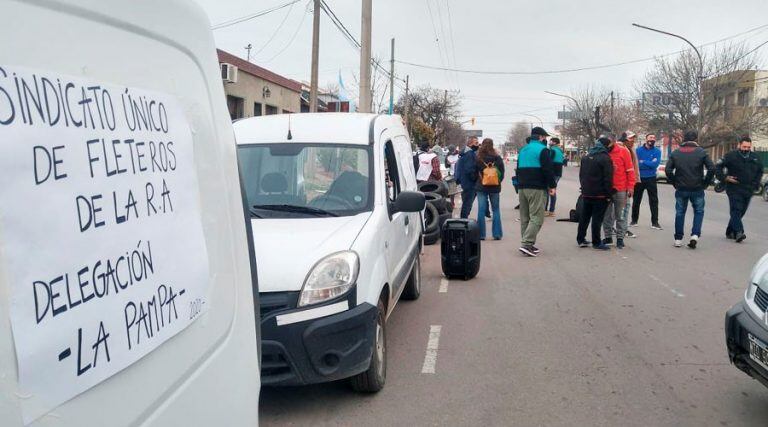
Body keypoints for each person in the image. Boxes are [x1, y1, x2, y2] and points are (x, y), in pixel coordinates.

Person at [665, 130, 715, 249]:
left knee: (680, 212)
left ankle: (678, 238)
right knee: (698, 212)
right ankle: (695, 235)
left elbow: (668, 170)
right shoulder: (701, 152)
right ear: (696, 139)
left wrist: (674, 182)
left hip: (681, 187)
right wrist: (705, 183)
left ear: (684, 139)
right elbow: (712, 168)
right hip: (697, 187)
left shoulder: (676, 153)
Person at [516, 127, 556, 257]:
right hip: (537, 187)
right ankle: (527, 244)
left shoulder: (523, 150)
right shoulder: (543, 150)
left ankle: (528, 243)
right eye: (545, 137)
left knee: (525, 217)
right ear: (540, 137)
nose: (545, 139)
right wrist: (552, 186)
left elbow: (518, 169)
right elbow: (547, 170)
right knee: (537, 217)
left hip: (522, 187)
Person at [716, 136, 764, 243]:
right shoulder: (731, 156)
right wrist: (725, 178)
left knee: (741, 211)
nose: (746, 149)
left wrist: (756, 183)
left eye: (748, 147)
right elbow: (718, 167)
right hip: (734, 188)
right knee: (736, 209)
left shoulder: (755, 157)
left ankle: (729, 231)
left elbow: (760, 171)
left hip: (748, 189)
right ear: (739, 145)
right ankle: (739, 232)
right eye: (744, 146)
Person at [577, 137, 615, 250]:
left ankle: (580, 239)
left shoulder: (586, 157)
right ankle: (596, 242)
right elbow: (608, 178)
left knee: (585, 217)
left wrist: (584, 189)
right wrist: (609, 195)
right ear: (606, 146)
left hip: (587, 192)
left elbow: (581, 175)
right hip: (600, 194)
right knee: (597, 219)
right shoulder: (605, 158)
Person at [602, 134, 635, 249]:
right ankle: (608, 237)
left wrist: (631, 187)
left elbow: (630, 170)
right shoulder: (603, 152)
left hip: (621, 188)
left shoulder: (623, 151)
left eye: (608, 142)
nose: (606, 145)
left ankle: (620, 238)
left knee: (620, 215)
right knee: (607, 215)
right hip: (606, 189)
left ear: (614, 141)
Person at [475, 138, 505, 240]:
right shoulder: (497, 158)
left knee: (481, 210)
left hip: (481, 186)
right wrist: (497, 181)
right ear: (492, 145)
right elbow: (502, 173)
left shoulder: (478, 158)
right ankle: (497, 234)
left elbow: (473, 172)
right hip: (495, 187)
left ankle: (481, 234)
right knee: (496, 209)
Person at [631, 133, 663, 230]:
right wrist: (649, 162)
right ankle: (634, 220)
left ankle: (655, 222)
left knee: (653, 201)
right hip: (639, 178)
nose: (652, 139)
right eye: (650, 137)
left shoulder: (657, 151)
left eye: (653, 138)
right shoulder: (638, 150)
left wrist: (643, 161)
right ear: (646, 139)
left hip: (651, 178)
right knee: (636, 200)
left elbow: (655, 165)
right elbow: (636, 164)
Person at [620, 132, 640, 238]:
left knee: (624, 207)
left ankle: (622, 228)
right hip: (623, 184)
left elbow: (634, 167)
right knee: (624, 207)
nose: (632, 141)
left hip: (628, 183)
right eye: (631, 138)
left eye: (633, 139)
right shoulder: (623, 150)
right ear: (626, 139)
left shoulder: (631, 150)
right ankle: (622, 229)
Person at [454, 137, 479, 218]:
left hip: (464, 182)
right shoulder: (470, 154)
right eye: (476, 143)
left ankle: (464, 220)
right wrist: (475, 179)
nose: (477, 145)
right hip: (469, 184)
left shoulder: (464, 153)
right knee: (467, 204)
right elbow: (470, 169)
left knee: (466, 203)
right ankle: (464, 221)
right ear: (470, 144)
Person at [546, 137, 564, 217]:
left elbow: (549, 162)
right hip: (558, 173)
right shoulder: (560, 151)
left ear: (555, 143)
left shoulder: (552, 150)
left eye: (551, 141)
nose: (550, 142)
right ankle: (551, 211)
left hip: (552, 173)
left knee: (550, 190)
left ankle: (549, 211)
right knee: (552, 190)